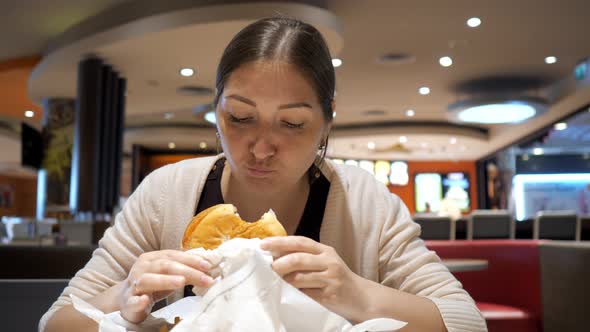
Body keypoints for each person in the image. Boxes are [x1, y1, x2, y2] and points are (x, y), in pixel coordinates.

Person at [41, 17, 486, 331]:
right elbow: (57, 322)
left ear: (327, 122)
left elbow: (465, 322)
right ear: (215, 111)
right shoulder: (166, 193)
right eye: (238, 117)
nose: (260, 147)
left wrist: (357, 295)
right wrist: (123, 302)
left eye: (292, 124)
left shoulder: (364, 202)